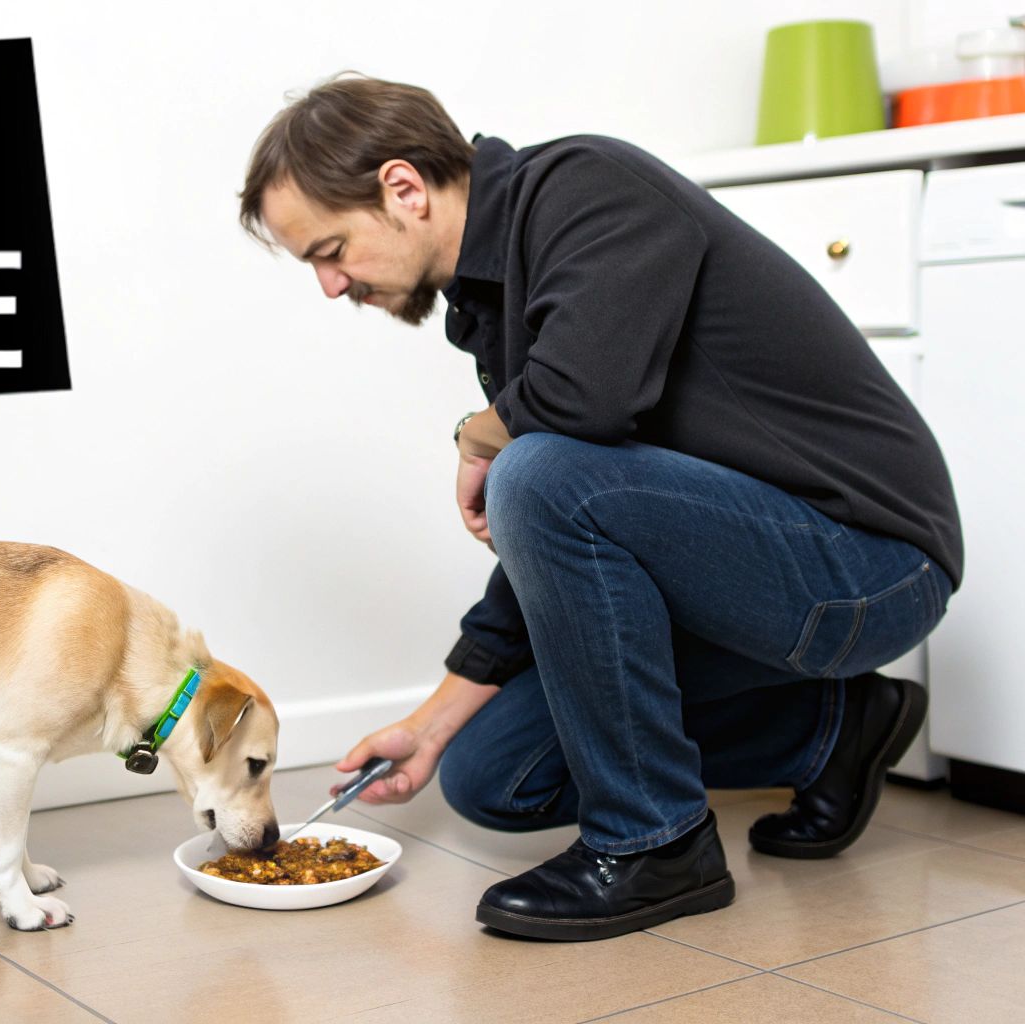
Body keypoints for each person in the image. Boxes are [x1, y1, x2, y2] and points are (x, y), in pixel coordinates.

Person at [238, 74, 962, 941]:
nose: (329, 284)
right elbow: (567, 522)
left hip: (871, 565)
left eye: (329, 248)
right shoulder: (491, 303)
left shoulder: (589, 189)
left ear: (403, 189)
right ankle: (831, 727)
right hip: (750, 569)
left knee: (535, 472)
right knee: (490, 774)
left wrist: (480, 435)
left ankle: (657, 846)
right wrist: (430, 726)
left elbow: (579, 413)